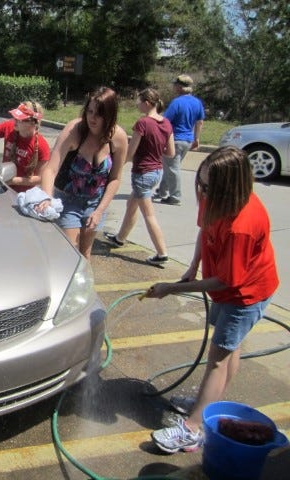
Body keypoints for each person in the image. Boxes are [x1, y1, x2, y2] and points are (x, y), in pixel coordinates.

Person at [145, 146, 278, 453]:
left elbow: (228, 280)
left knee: (218, 358)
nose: (201, 190)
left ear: (229, 187)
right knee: (229, 350)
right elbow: (205, 232)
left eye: (207, 187)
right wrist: (192, 268)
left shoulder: (243, 224)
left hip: (245, 295)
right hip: (225, 288)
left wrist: (171, 288)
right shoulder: (213, 196)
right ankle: (210, 402)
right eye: (201, 183)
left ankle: (193, 429)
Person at [34, 87, 128, 259]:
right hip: (68, 200)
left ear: (110, 115)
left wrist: (99, 210)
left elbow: (115, 178)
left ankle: (83, 286)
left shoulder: (118, 138)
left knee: (85, 252)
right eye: (89, 111)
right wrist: (47, 197)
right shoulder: (74, 130)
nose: (92, 117)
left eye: (99, 114)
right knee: (70, 250)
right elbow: (50, 169)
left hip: (96, 203)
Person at [104, 88, 175, 266]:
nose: (137, 104)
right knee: (131, 205)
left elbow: (130, 151)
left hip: (142, 172)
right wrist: (155, 149)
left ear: (147, 103)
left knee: (148, 214)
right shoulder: (166, 123)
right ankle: (120, 238)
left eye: (139, 100)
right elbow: (171, 152)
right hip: (156, 171)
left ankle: (161, 253)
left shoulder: (143, 123)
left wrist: (117, 165)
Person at [156, 74, 205, 206]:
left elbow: (166, 121)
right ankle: (162, 190)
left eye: (175, 85)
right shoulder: (197, 103)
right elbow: (200, 122)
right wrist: (197, 138)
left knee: (172, 168)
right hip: (187, 140)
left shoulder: (177, 102)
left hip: (175, 139)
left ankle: (175, 196)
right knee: (171, 166)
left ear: (179, 87)